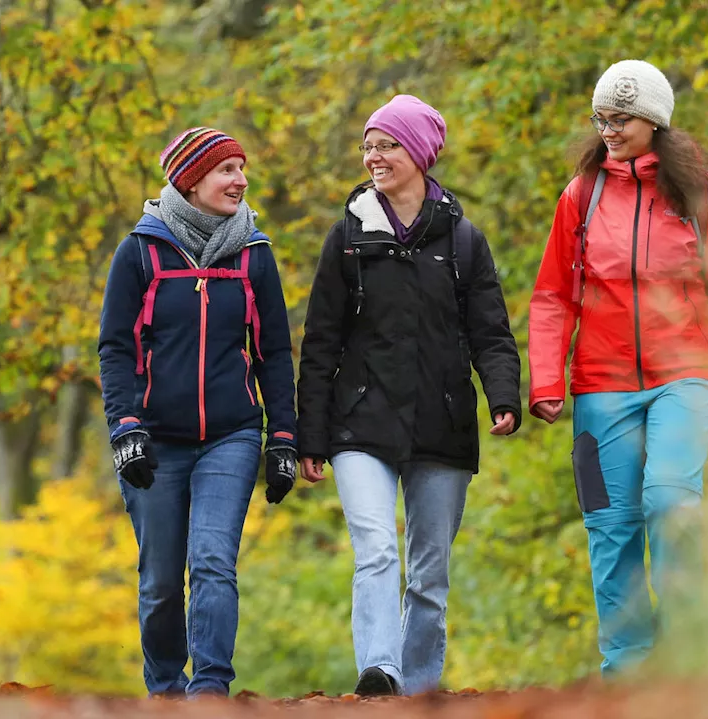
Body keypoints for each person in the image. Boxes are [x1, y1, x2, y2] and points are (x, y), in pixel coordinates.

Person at [527, 59, 708, 677]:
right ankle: (629, 673)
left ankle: (689, 663)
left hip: (686, 374)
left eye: (621, 117)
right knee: (610, 525)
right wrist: (548, 379)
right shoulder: (582, 195)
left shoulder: (698, 193)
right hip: (601, 386)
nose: (607, 128)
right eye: (601, 116)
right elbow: (554, 294)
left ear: (653, 122)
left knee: (670, 503)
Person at [296, 95, 522, 696]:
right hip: (360, 424)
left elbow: (490, 333)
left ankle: (417, 691)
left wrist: (502, 395)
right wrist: (309, 435)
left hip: (441, 425)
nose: (374, 156)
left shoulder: (465, 242)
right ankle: (380, 671)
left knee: (429, 572)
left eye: (387, 144)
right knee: (374, 548)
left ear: (419, 153)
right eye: (369, 145)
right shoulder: (345, 239)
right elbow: (320, 344)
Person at [97, 127, 299, 698]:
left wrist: (282, 434)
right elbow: (116, 347)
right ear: (190, 179)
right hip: (155, 438)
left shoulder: (254, 255)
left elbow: (275, 351)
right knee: (161, 580)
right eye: (226, 169)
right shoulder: (140, 252)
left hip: (231, 436)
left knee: (212, 560)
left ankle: (210, 691)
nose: (241, 180)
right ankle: (164, 691)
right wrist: (125, 427)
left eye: (242, 168)